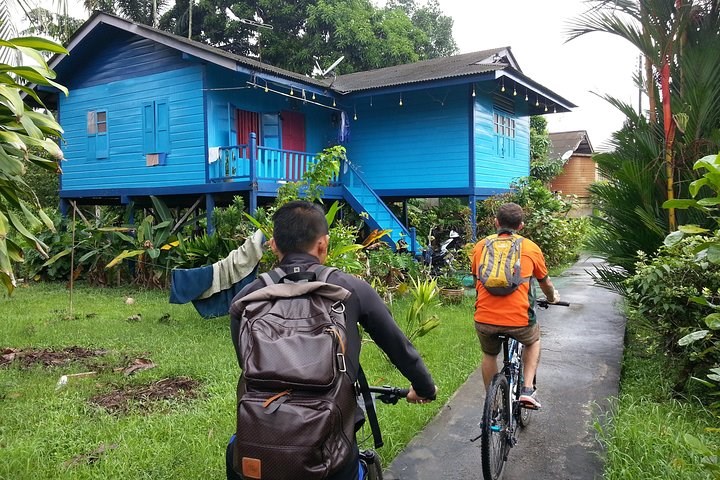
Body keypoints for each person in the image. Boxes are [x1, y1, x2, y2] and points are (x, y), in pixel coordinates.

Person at [227, 200, 438, 480]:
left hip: (260, 443)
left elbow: (246, 362)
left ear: (274, 245)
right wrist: (424, 388)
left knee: (237, 453)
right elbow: (399, 348)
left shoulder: (247, 297)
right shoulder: (351, 289)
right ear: (323, 245)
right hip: (330, 450)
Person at [470, 202, 559, 409]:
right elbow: (545, 283)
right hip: (520, 320)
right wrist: (552, 298)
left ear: (496, 223)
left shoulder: (480, 247)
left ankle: (492, 404)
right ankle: (528, 390)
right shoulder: (530, 248)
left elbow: (477, 282)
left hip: (485, 319)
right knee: (533, 341)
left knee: (489, 354)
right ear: (521, 226)